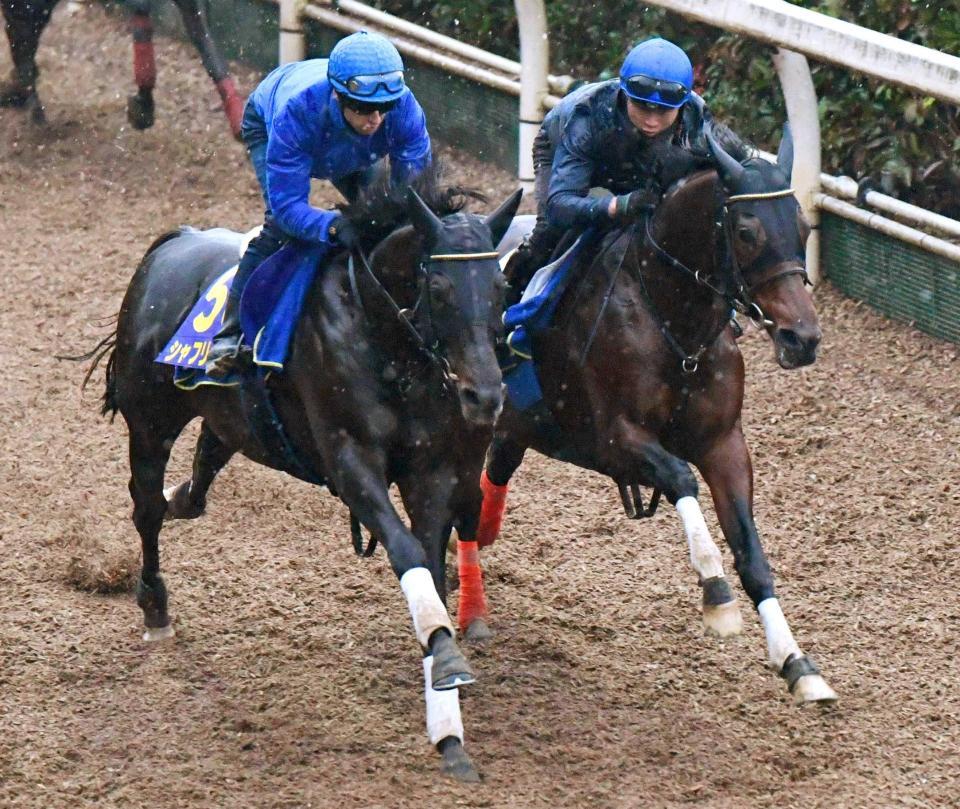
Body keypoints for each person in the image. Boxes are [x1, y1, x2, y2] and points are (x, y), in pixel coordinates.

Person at [206, 31, 432, 377]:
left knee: (392, 223)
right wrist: (331, 225)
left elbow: (416, 195)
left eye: (384, 108)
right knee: (279, 230)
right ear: (339, 96)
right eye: (364, 108)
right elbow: (288, 208)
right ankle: (231, 332)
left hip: (346, 147)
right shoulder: (298, 112)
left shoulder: (403, 108)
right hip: (274, 127)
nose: (375, 120)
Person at [507, 36, 753, 295]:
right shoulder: (588, 118)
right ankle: (511, 300)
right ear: (624, 95)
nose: (651, 121)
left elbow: (745, 167)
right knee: (551, 230)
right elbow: (560, 204)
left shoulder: (698, 120)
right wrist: (616, 205)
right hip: (563, 147)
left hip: (637, 160)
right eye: (643, 108)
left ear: (682, 107)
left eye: (663, 111)